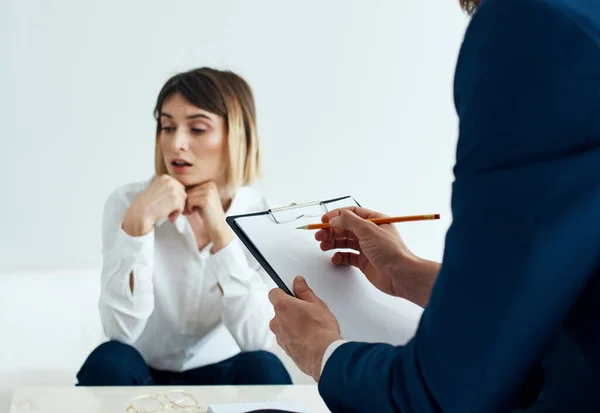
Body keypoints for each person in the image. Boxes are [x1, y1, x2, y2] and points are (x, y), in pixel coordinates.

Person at [268, 0, 600, 411]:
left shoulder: (535, 23)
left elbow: (439, 395)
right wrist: (409, 273)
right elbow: (566, 300)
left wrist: (322, 353)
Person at [77, 67, 292, 386]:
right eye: (167, 127)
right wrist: (137, 226)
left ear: (235, 135)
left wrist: (222, 236)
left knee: (264, 366)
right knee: (108, 360)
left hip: (223, 370)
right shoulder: (127, 203)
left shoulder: (257, 212)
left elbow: (255, 339)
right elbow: (120, 332)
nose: (176, 143)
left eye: (197, 129)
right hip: (142, 370)